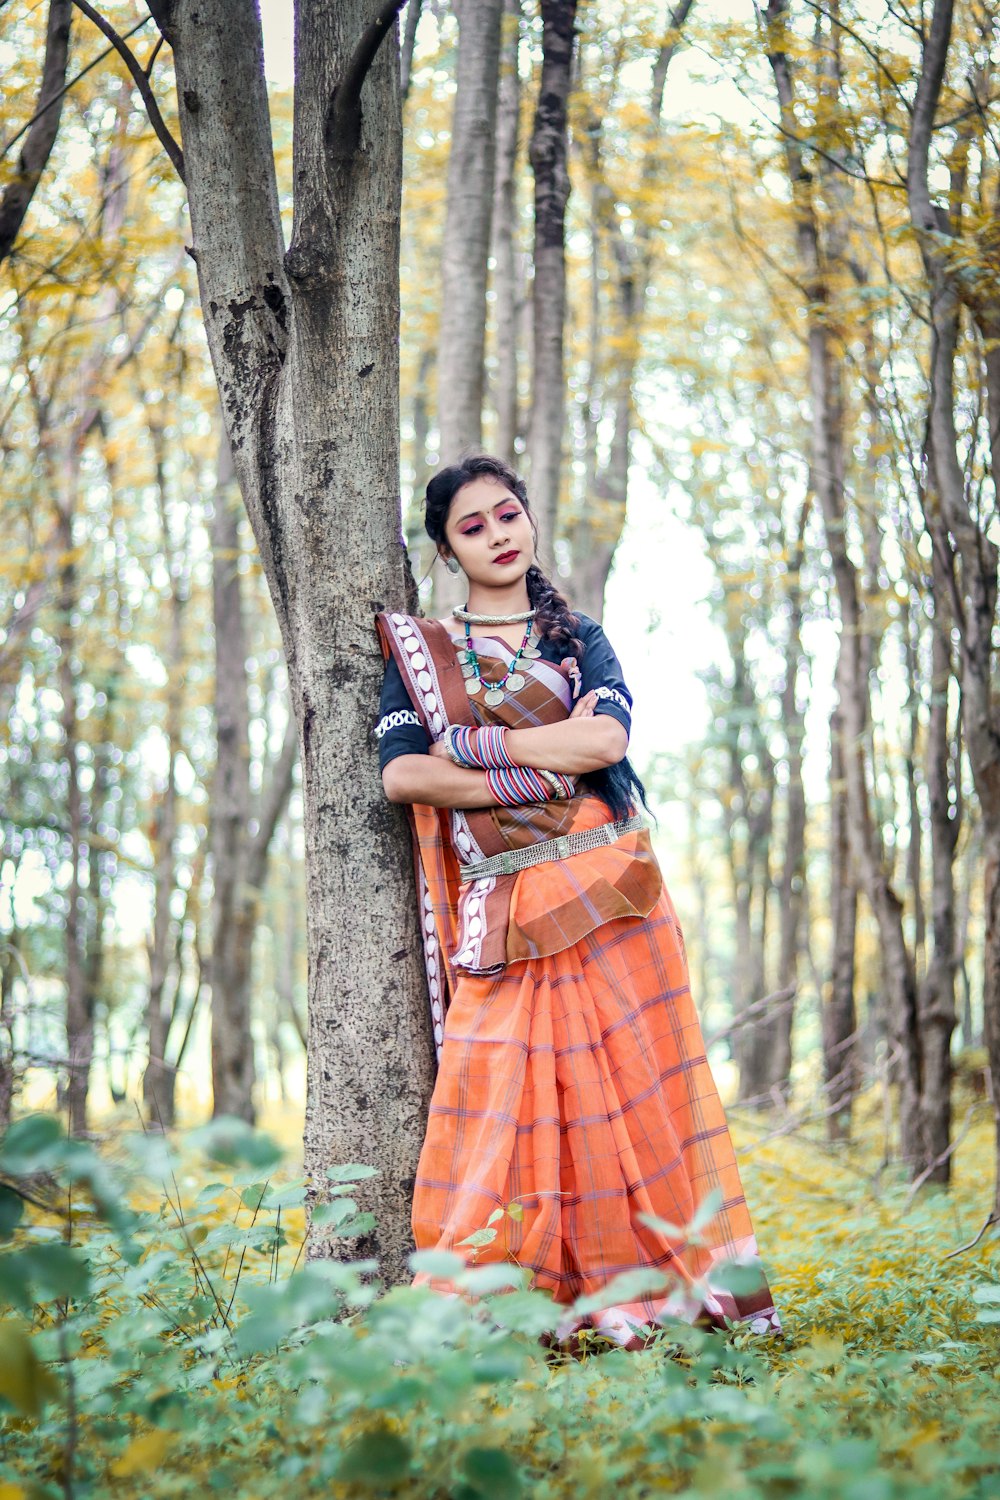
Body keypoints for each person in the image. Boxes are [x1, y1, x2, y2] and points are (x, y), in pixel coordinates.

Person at [374, 453, 780, 1349]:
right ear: (447, 551)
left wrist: (473, 750)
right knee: (499, 1102)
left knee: (633, 1095)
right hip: (504, 911)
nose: (497, 535)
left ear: (528, 518)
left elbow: (607, 735)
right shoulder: (423, 654)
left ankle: (644, 1294)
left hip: (607, 896)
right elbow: (406, 774)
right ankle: (507, 1306)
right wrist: (527, 772)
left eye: (506, 513)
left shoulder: (574, 635)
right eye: (471, 527)